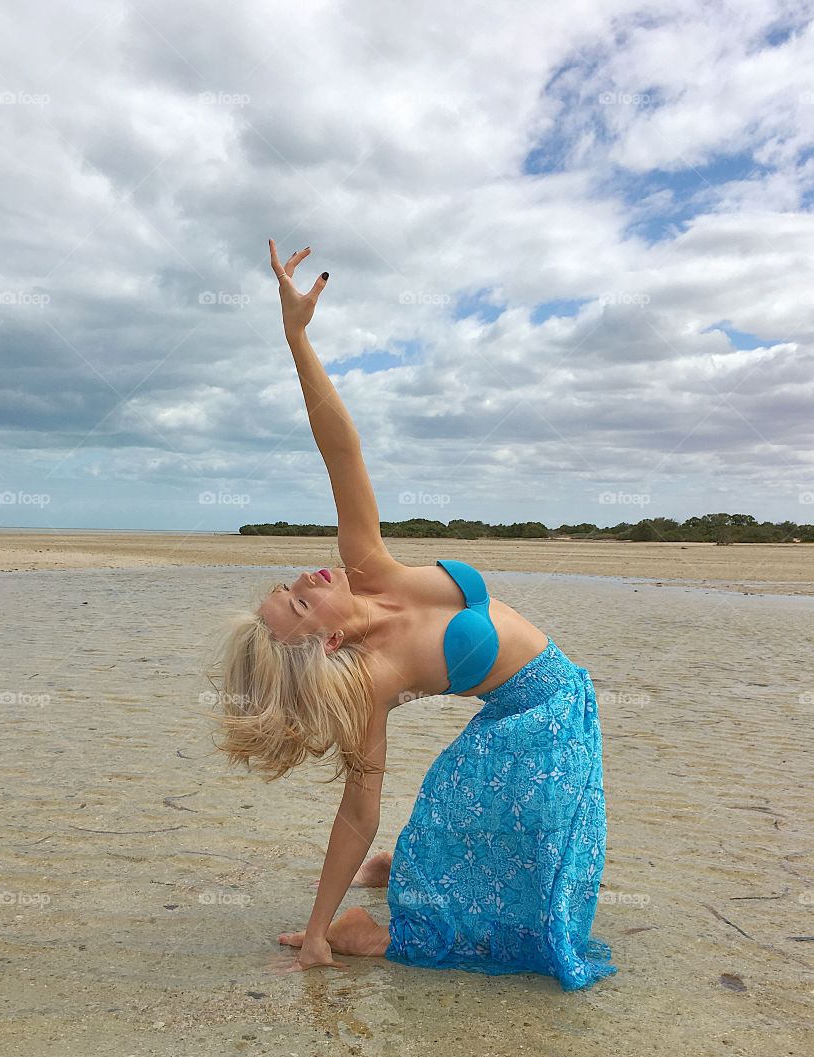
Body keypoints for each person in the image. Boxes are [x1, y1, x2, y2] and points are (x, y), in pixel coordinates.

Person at [205, 238, 616, 991]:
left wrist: (296, 337)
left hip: (534, 708)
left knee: (535, 872)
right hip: (540, 720)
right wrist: (319, 933)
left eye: (290, 582)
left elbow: (341, 447)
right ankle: (371, 928)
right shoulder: (370, 682)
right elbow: (358, 810)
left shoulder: (365, 564)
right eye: (300, 597)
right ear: (324, 640)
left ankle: (409, 864)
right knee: (528, 927)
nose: (306, 574)